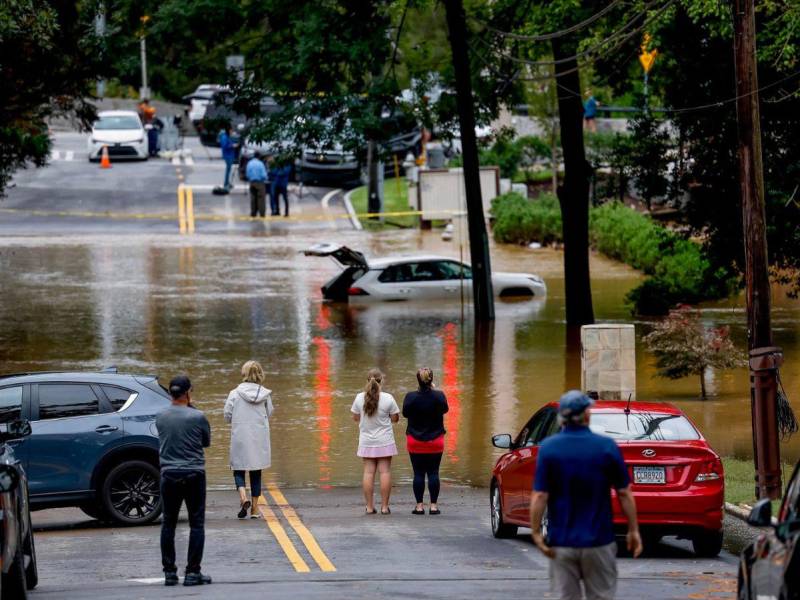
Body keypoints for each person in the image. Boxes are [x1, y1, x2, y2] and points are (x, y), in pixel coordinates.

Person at [529, 390, 642, 600]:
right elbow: (624, 492)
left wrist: (536, 532)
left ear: (561, 416)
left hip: (562, 542)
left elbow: (540, 496)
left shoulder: (549, 448)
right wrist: (633, 530)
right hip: (599, 541)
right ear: (587, 415)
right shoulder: (606, 446)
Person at [156, 375, 212, 587]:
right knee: (196, 524)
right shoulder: (197, 416)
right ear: (188, 392)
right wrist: (193, 408)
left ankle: (169, 573)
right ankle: (192, 573)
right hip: (194, 474)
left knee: (168, 523)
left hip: (169, 474)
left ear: (171, 393)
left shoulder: (160, 416)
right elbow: (205, 442)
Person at [224, 360, 274, 519]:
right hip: (258, 436)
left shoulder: (234, 393)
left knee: (238, 469)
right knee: (256, 471)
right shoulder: (265, 394)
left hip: (240, 434)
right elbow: (270, 413)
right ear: (260, 374)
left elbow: (227, 416)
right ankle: (255, 509)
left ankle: (243, 497)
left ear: (244, 374)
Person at [350, 368, 400, 514]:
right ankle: (385, 508)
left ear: (367, 381)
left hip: (366, 441)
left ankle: (370, 507)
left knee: (368, 473)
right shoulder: (388, 398)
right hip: (385, 441)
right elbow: (395, 419)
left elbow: (355, 417)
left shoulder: (359, 398)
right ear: (381, 381)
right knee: (385, 472)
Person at [402, 367, 448, 515]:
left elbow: (405, 413)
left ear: (418, 380)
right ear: (431, 379)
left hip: (415, 440)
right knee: (434, 472)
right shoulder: (439, 396)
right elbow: (445, 410)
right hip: (436, 440)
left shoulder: (410, 397)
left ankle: (419, 506)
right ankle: (433, 506)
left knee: (418, 473)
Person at [245, 153, 268, 218]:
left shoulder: (249, 163)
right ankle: (262, 213)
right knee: (261, 198)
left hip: (252, 182)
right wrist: (266, 178)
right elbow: (263, 175)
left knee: (253, 198)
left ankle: (253, 213)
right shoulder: (260, 164)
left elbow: (247, 174)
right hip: (260, 182)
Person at [219, 125, 237, 190]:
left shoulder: (227, 136)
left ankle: (227, 182)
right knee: (228, 170)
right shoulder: (224, 137)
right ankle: (226, 183)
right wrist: (232, 146)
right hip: (227, 155)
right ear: (229, 130)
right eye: (231, 130)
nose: (232, 132)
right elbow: (224, 146)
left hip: (230, 155)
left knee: (229, 170)